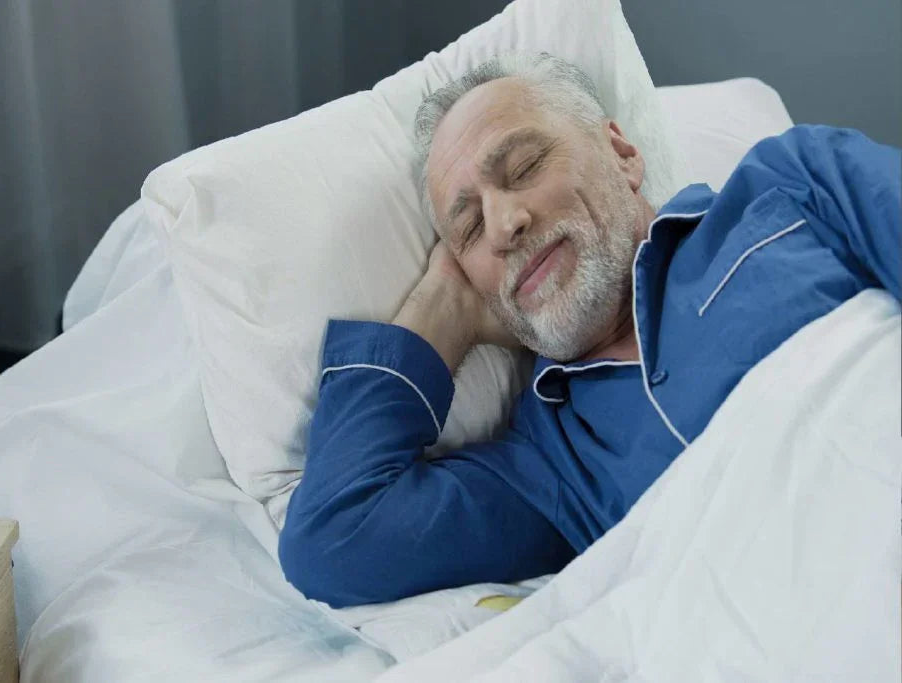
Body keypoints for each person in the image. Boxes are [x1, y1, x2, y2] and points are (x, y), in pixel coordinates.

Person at [278, 53, 901, 608]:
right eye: (468, 230)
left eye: (524, 166)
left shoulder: (792, 187)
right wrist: (442, 307)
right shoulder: (556, 466)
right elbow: (335, 538)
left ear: (623, 155)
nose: (503, 225)